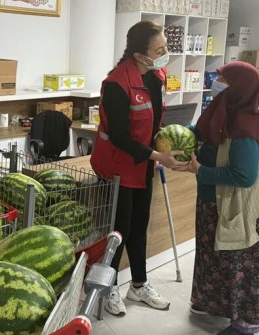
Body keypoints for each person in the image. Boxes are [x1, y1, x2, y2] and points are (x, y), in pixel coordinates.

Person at [90, 20, 186, 316]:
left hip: (144, 162)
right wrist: (157, 156)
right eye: (159, 50)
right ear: (139, 54)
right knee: (120, 229)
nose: (165, 54)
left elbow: (155, 120)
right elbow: (119, 135)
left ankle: (139, 285)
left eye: (165, 48)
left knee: (140, 224)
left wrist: (167, 145)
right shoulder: (117, 83)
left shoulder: (156, 77)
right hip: (118, 164)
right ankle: (109, 288)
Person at [176, 61, 259, 335]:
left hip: (241, 211)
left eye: (223, 79)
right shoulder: (221, 112)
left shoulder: (244, 127)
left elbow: (244, 177)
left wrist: (202, 171)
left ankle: (246, 322)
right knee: (214, 257)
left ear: (239, 88)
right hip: (214, 205)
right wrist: (178, 135)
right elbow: (201, 132)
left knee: (238, 263)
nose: (216, 83)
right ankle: (213, 304)